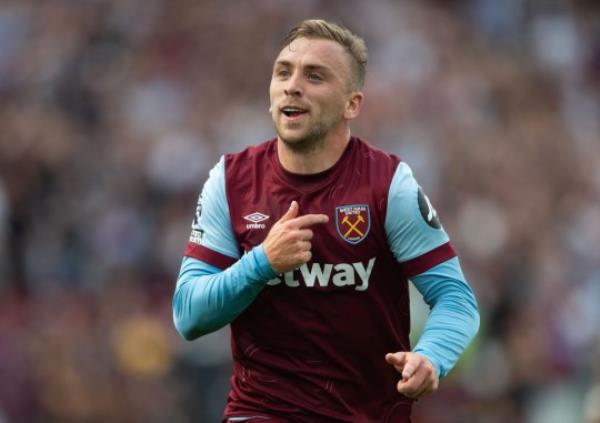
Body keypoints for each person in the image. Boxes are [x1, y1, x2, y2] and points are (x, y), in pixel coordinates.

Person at [173, 19, 479, 423]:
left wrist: (431, 356)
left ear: (352, 104)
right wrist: (262, 263)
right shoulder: (230, 181)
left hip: (369, 413)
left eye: (314, 76)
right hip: (262, 410)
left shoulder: (387, 185)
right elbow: (189, 315)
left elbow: (457, 301)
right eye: (283, 72)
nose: (292, 85)